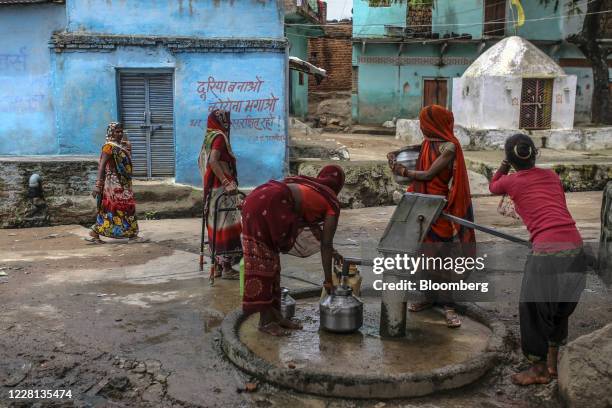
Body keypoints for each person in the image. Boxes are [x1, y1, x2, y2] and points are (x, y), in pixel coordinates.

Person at [489, 134, 586, 386]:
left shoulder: (510, 182)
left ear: (510, 159)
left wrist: (504, 164)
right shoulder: (552, 176)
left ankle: (538, 370)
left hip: (547, 252)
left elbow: (493, 185)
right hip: (575, 246)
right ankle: (553, 365)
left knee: (533, 309)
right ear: (535, 154)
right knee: (558, 307)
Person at [389, 105, 475, 328]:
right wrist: (397, 153)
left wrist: (404, 172)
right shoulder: (431, 141)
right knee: (422, 256)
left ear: (433, 123)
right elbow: (418, 146)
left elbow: (428, 174)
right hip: (420, 204)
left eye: (423, 122)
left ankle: (448, 306)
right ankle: (427, 297)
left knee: (441, 258)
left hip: (438, 208)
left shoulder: (450, 147)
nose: (421, 126)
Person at [241, 165, 345, 336]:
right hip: (269, 204)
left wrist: (333, 252)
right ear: (338, 185)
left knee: (272, 264)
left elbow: (318, 232)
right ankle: (265, 322)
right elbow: (325, 243)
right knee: (264, 263)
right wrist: (328, 281)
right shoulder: (332, 201)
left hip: (260, 196)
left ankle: (275, 317)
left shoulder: (313, 187)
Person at [198, 109, 242, 280]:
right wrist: (226, 182)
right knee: (226, 225)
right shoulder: (219, 138)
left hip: (212, 189)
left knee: (215, 225)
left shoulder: (209, 136)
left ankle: (216, 266)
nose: (228, 124)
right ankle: (227, 267)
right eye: (227, 121)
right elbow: (213, 161)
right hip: (222, 188)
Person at [88, 122, 141, 243]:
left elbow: (127, 164)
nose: (120, 133)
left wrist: (128, 149)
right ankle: (132, 235)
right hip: (113, 185)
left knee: (113, 208)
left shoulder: (121, 146)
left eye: (121, 131)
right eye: (117, 131)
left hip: (124, 183)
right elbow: (101, 166)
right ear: (111, 133)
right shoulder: (108, 147)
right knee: (123, 207)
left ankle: (95, 232)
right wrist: (98, 185)